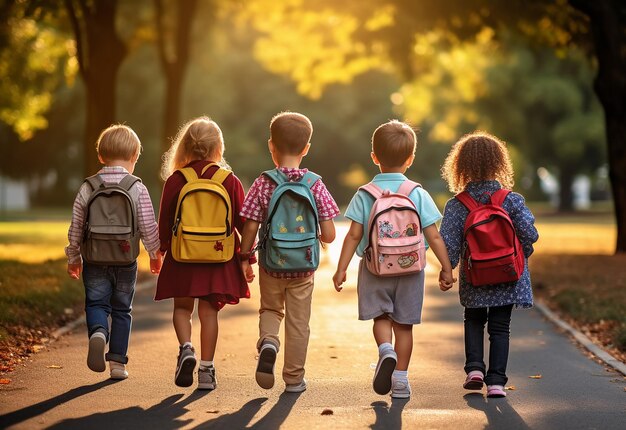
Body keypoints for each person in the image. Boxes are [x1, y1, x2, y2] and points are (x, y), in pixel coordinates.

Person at [332, 120, 454, 399]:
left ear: (374, 157)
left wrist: (341, 270)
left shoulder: (364, 194)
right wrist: (446, 268)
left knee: (381, 318)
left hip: (375, 268)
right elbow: (433, 236)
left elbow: (352, 236)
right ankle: (400, 380)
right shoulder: (417, 193)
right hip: (411, 270)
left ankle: (385, 350)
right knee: (405, 326)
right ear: (410, 159)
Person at [239, 111, 339, 393]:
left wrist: (244, 257)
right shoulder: (315, 184)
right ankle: (294, 378)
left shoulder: (263, 183)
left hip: (271, 263)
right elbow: (330, 234)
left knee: (271, 308)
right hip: (304, 267)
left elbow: (249, 227)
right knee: (298, 323)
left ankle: (269, 341)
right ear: (306, 149)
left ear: (271, 145)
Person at [439, 131, 539, 398]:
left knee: (473, 319)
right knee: (500, 327)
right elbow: (530, 234)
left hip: (475, 276)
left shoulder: (457, 205)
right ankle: (496, 383)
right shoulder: (511, 200)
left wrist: (447, 270)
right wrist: (520, 254)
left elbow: (447, 244)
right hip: (507, 275)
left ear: (460, 167)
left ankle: (474, 368)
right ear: (499, 163)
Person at [155, 116, 251, 390]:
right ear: (218, 148)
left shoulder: (177, 179)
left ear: (184, 147)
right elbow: (242, 224)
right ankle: (207, 371)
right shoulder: (228, 180)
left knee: (182, 309)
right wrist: (248, 259)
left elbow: (165, 221)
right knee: (209, 314)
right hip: (218, 257)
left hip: (183, 254)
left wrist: (160, 249)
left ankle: (186, 347)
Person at [65, 124, 162, 380]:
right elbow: (147, 224)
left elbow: (76, 225)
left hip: (94, 257)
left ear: (100, 156)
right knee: (122, 309)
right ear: (134, 157)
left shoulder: (88, 187)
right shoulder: (137, 187)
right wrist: (155, 253)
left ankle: (98, 332)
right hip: (125, 258)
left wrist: (73, 256)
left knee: (96, 303)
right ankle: (117, 364)